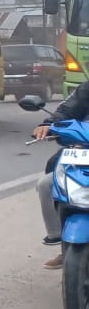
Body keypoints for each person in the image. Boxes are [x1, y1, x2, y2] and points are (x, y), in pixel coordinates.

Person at [31, 80, 89, 268]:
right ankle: (66, 244)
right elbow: (66, 110)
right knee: (46, 184)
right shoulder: (87, 89)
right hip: (83, 155)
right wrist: (48, 125)